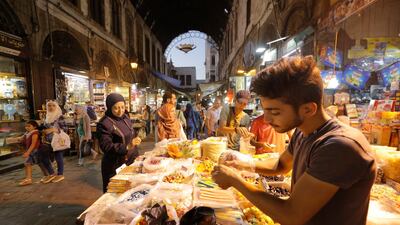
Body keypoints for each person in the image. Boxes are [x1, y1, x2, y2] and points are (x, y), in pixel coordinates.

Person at [212, 56, 376, 225]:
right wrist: (244, 164)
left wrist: (235, 180)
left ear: (308, 109)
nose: (266, 119)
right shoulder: (303, 132)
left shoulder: (339, 146)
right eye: (265, 110)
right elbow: (281, 165)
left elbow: (291, 216)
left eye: (275, 112)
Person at [97, 93, 142, 193]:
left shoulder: (125, 118)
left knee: (130, 192)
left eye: (122, 107)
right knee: (116, 194)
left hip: (130, 161)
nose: (120, 111)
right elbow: (106, 146)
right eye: (116, 108)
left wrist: (136, 154)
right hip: (114, 165)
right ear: (109, 107)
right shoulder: (104, 124)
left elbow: (130, 134)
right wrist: (127, 146)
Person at [38, 100, 67, 183]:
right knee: (43, 156)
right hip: (47, 141)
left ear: (56, 107)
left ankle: (60, 174)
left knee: (58, 157)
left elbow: (65, 128)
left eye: (53, 105)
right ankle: (51, 173)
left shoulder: (60, 117)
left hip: (57, 140)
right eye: (49, 106)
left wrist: (53, 129)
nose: (51, 107)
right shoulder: (46, 117)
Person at [18, 120, 48, 186]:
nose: (27, 127)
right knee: (39, 163)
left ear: (34, 127)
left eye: (29, 126)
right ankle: (47, 175)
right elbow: (22, 138)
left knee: (28, 163)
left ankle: (29, 179)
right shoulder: (27, 133)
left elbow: (33, 144)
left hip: (35, 151)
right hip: (32, 151)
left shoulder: (35, 133)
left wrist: (28, 152)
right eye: (26, 126)